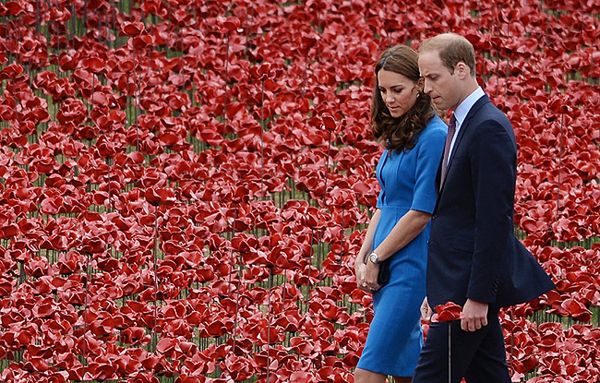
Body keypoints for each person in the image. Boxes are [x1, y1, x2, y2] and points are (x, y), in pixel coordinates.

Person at [413, 33, 555, 383]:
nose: (427, 89)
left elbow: (494, 221)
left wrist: (478, 297)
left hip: (465, 294)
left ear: (461, 69)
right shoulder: (459, 123)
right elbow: (454, 213)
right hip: (454, 286)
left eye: (433, 78)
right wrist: (437, 289)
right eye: (422, 79)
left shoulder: (487, 127)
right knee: (489, 376)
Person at [354, 45, 447, 383]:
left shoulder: (434, 135)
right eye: (382, 90)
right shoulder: (399, 133)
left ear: (419, 86)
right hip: (385, 258)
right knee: (407, 370)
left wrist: (377, 256)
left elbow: (422, 212)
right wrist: (363, 254)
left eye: (398, 90)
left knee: (368, 372)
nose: (389, 98)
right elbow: (385, 201)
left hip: (409, 262)